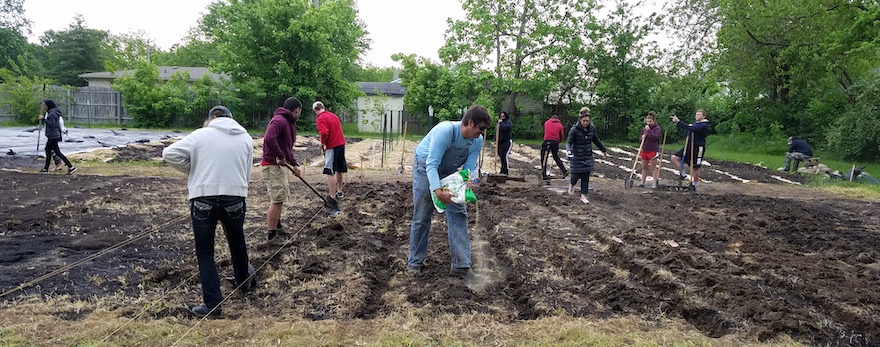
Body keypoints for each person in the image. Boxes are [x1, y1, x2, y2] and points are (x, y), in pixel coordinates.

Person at [161, 105, 256, 319]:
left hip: (204, 197)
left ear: (211, 118)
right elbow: (247, 171)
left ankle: (213, 305)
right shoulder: (246, 138)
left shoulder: (200, 135)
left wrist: (194, 170)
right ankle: (243, 281)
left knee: (205, 252)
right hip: (235, 197)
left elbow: (169, 153)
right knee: (237, 239)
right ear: (231, 119)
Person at [407, 105, 491, 278]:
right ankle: (415, 263)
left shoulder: (477, 141)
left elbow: (468, 167)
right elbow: (432, 165)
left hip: (449, 171)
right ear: (470, 122)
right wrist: (438, 192)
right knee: (423, 215)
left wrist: (466, 184)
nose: (482, 133)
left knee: (459, 213)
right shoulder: (445, 131)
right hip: (425, 167)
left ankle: (461, 266)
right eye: (480, 128)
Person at [261, 97, 303, 241]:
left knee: (281, 197)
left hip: (280, 167)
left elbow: (287, 147)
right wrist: (279, 155)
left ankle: (277, 226)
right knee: (277, 200)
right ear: (297, 110)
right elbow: (268, 138)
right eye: (300, 112)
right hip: (272, 166)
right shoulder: (279, 121)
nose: (299, 114)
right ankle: (271, 236)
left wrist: (294, 163)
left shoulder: (290, 124)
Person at [566, 108, 607, 204]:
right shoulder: (574, 130)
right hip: (577, 156)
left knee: (586, 175)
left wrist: (603, 150)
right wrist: (568, 151)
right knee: (575, 176)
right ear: (580, 120)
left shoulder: (592, 129)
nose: (585, 123)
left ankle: (583, 195)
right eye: (584, 121)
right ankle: (572, 184)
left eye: (587, 121)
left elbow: (596, 140)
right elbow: (569, 143)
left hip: (587, 156)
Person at [313, 101, 346, 202]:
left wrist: (322, 143)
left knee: (329, 170)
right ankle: (339, 191)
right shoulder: (334, 116)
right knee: (339, 169)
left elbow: (324, 132)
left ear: (315, 110)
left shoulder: (320, 118)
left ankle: (332, 196)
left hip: (332, 146)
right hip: (341, 144)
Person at [670, 109, 710, 190]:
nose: (697, 116)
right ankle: (683, 174)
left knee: (695, 167)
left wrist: (679, 122)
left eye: (699, 114)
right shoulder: (695, 124)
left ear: (704, 116)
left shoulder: (703, 125)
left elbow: (691, 128)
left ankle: (694, 184)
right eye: (696, 114)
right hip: (689, 146)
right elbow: (688, 129)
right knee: (674, 158)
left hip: (698, 147)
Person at [38, 99, 76, 174]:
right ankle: (46, 169)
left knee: (56, 152)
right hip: (52, 135)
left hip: (53, 135)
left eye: (44, 105)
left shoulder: (52, 114)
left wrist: (43, 119)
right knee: (48, 151)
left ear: (48, 105)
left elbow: (53, 124)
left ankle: (71, 167)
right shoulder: (52, 112)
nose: (43, 107)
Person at [541, 114, 568, 181]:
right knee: (555, 156)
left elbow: (546, 132)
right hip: (555, 142)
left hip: (546, 140)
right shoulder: (560, 125)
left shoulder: (547, 123)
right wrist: (558, 141)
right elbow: (561, 136)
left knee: (544, 157)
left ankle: (543, 173)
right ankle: (564, 170)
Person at [638, 112, 662, 188]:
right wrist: (642, 137)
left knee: (653, 167)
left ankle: (654, 183)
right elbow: (640, 139)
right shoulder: (644, 129)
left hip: (652, 150)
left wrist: (649, 131)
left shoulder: (657, 128)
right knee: (644, 167)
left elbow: (655, 138)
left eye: (650, 121)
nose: (648, 123)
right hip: (644, 150)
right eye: (647, 121)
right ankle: (642, 182)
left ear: (654, 121)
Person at [496, 111, 513, 175]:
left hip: (506, 142)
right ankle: (502, 170)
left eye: (503, 116)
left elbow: (506, 128)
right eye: (501, 116)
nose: (502, 118)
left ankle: (505, 171)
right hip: (500, 142)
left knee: (504, 156)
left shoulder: (508, 122)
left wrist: (501, 123)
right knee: (501, 156)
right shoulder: (499, 123)